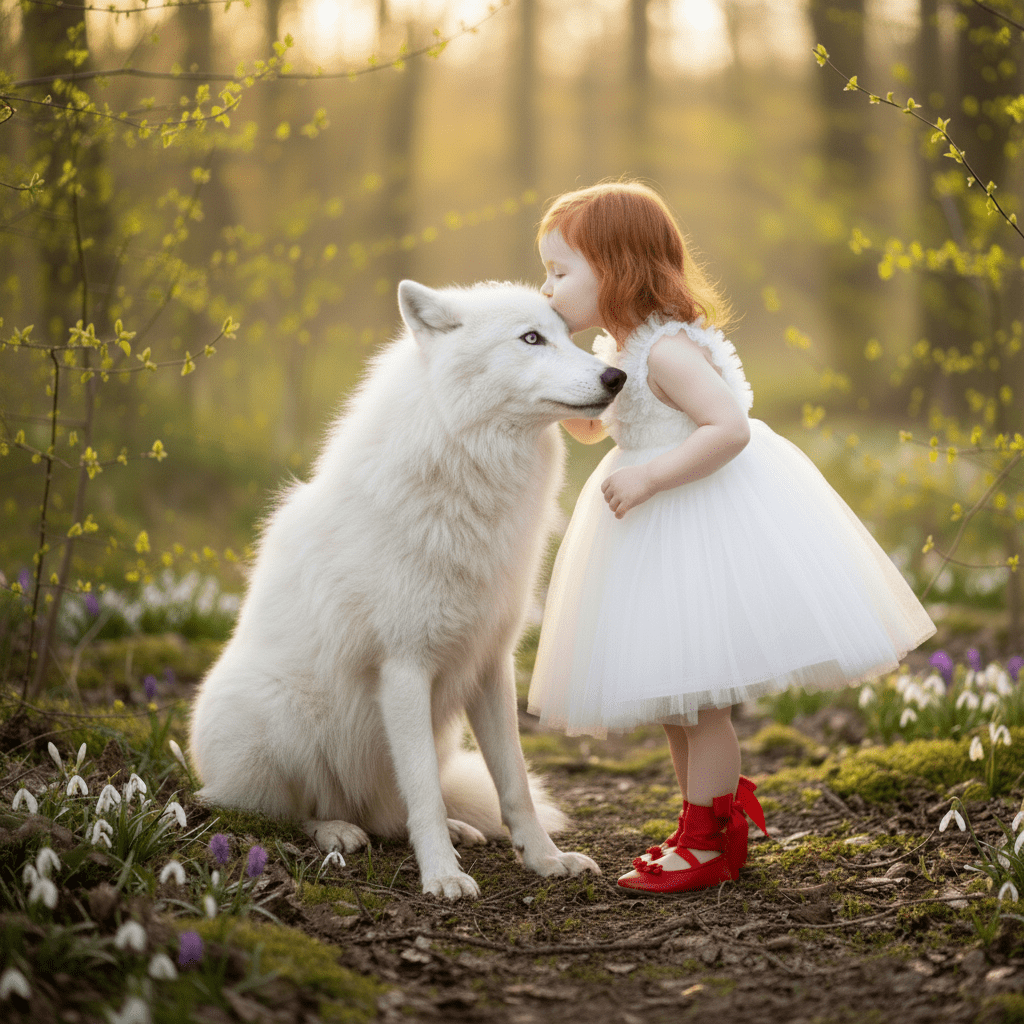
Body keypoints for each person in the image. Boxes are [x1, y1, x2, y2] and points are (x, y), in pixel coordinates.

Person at [527, 181, 936, 895]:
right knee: (676, 703)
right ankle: (703, 825)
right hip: (650, 531)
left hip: (694, 520)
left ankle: (711, 838)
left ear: (616, 266)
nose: (549, 285)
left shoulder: (665, 351)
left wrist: (653, 478)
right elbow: (595, 424)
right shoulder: (618, 347)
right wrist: (553, 378)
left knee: (702, 702)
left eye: (561, 271)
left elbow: (728, 429)